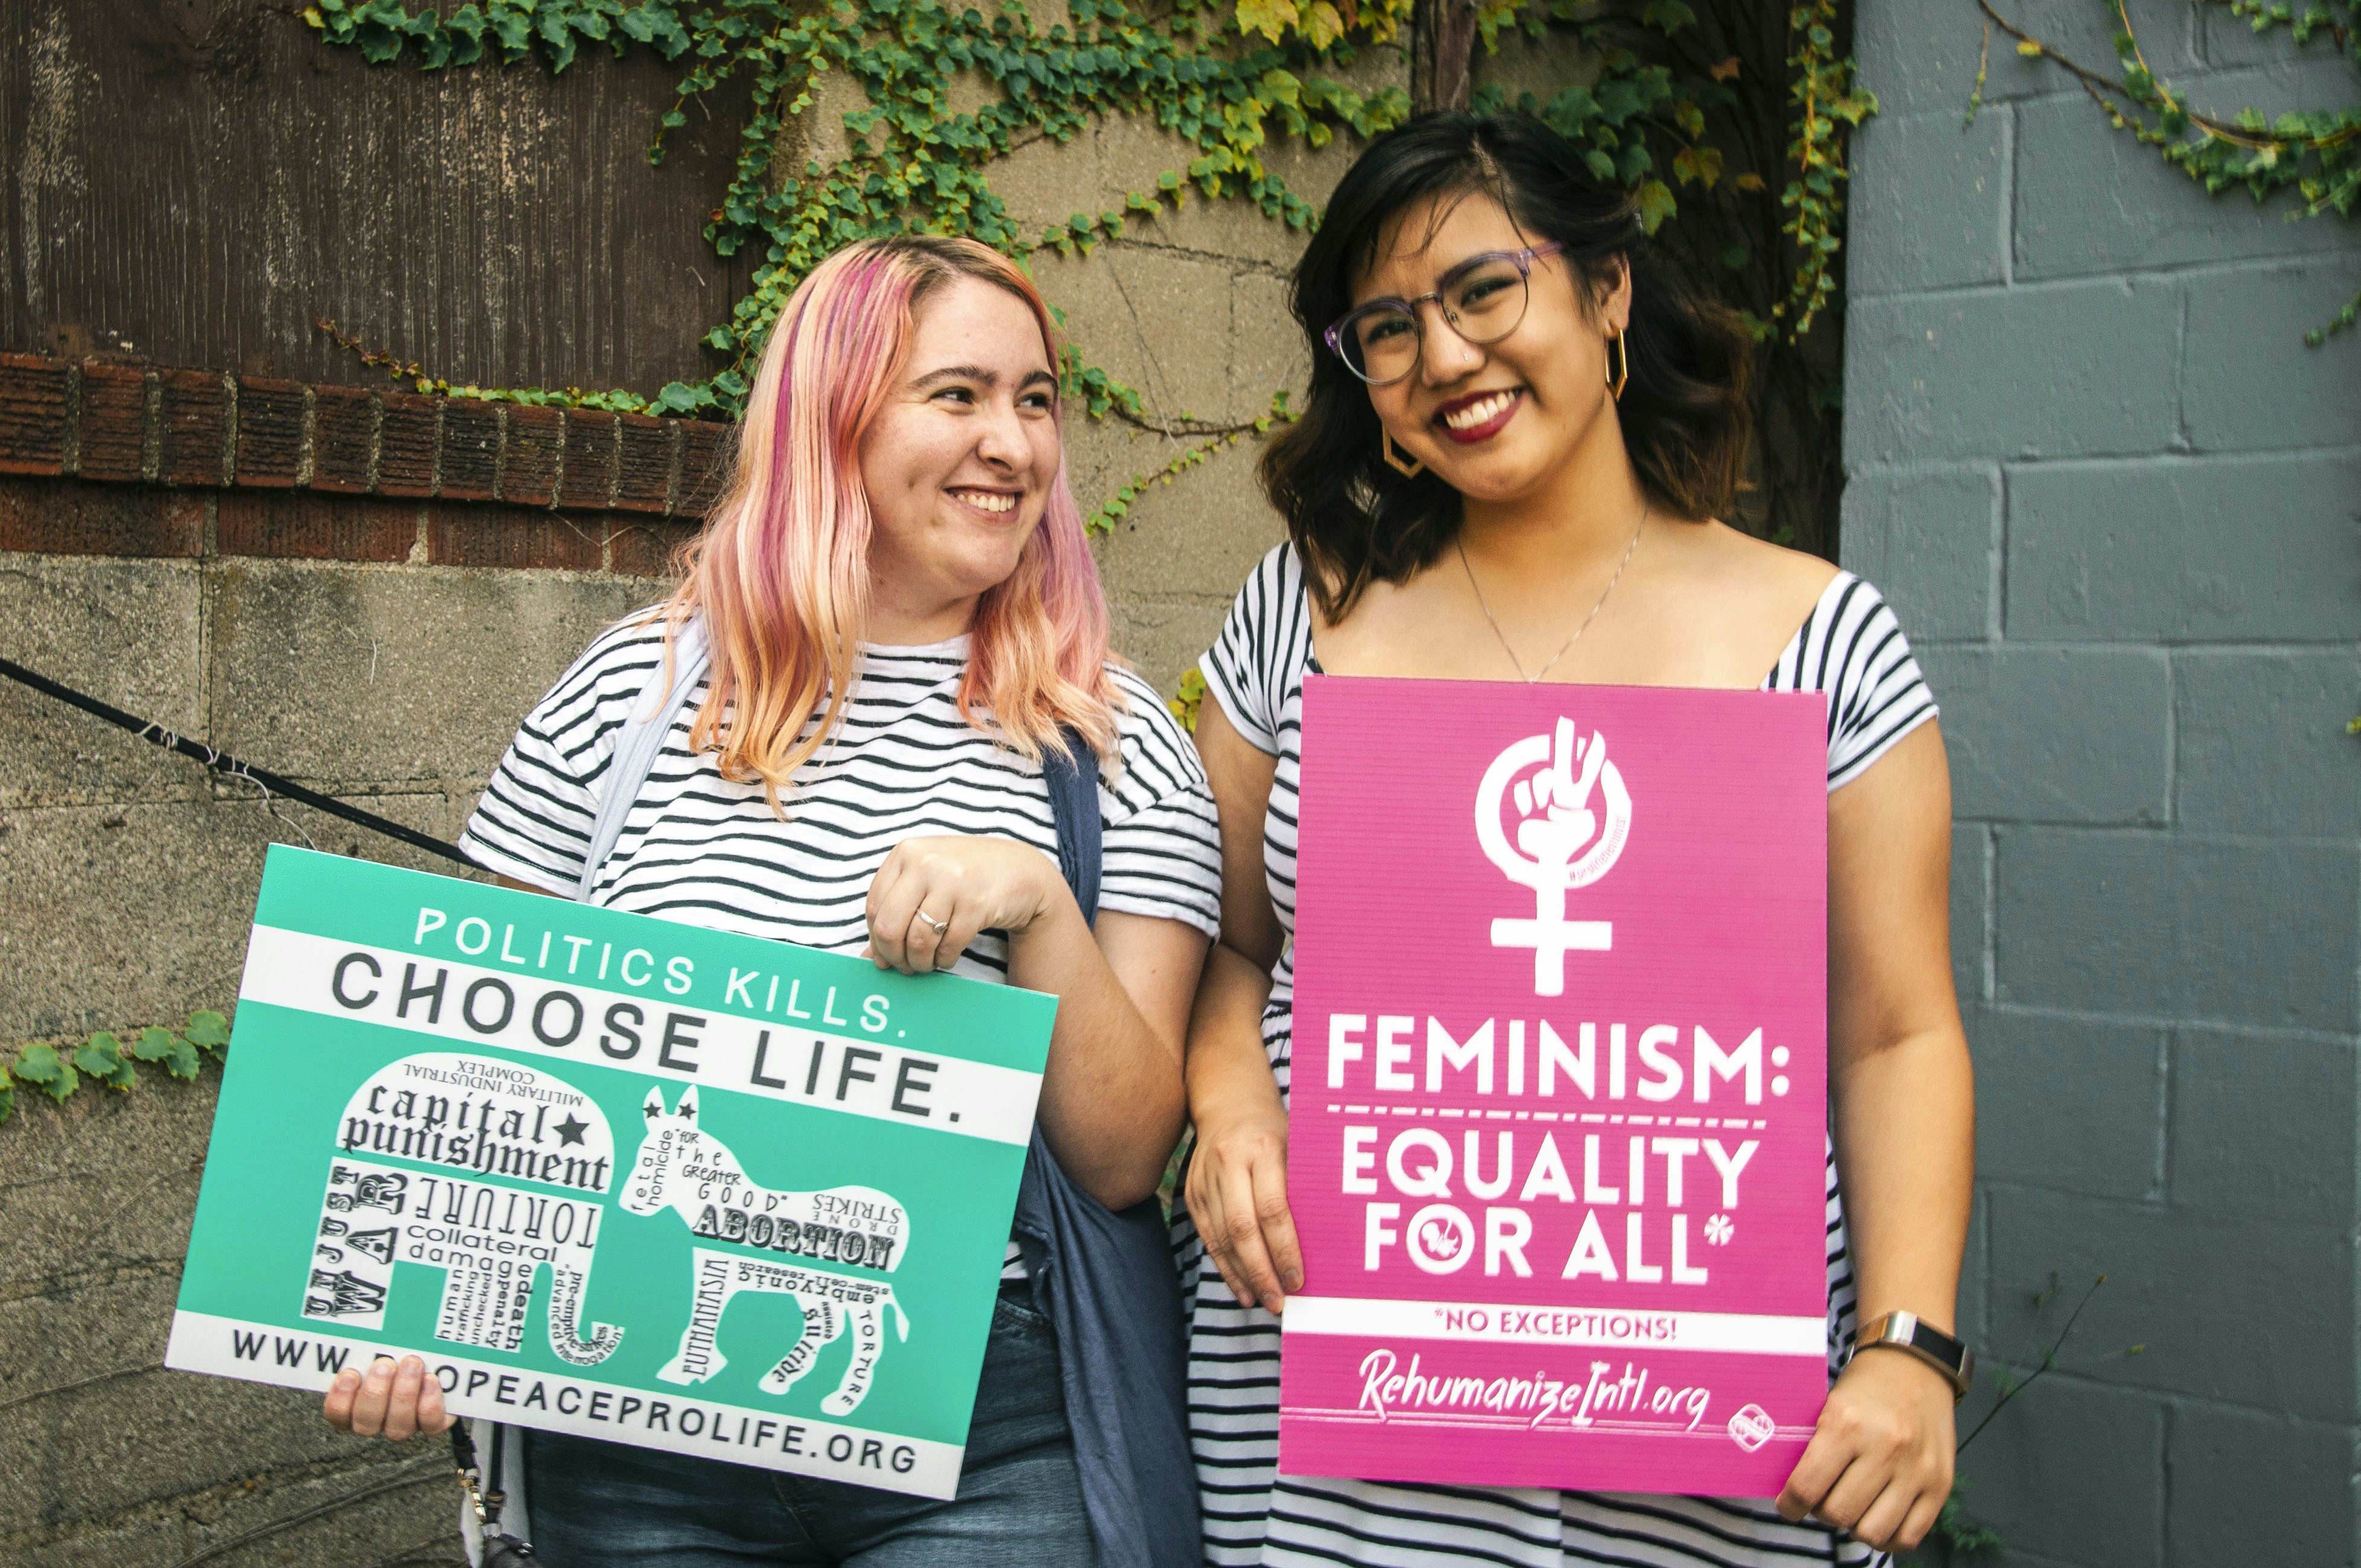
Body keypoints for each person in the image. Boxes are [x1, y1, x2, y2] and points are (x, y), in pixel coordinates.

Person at [318, 234, 1223, 1567]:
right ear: (832, 417)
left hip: (987, 1432)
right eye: (957, 394)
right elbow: (478, 1072)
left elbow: (1123, 1155)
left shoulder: (1111, 737)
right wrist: (409, 1307)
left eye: (1034, 401)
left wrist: (1034, 904)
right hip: (628, 1439)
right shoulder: (626, 696)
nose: (1014, 445)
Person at [1175, 111, 1975, 1566]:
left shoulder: (1822, 637)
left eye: (1484, 289)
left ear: (1604, 293)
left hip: (1700, 1425)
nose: (1445, 358)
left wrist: (1909, 1345)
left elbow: (1895, 1033)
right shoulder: (1302, 614)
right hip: (1346, 1375)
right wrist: (1230, 1110)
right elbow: (1225, 949)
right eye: (1387, 328)